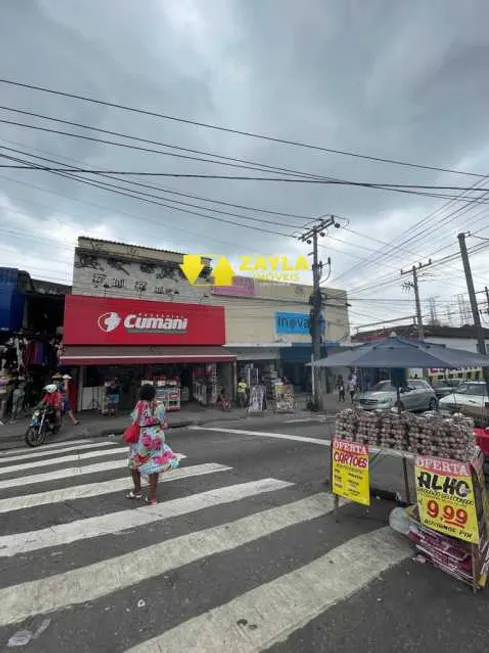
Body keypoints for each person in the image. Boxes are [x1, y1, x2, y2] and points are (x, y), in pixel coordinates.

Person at [126, 383, 180, 505]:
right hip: (157, 436)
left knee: (134, 463)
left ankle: (137, 490)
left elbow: (135, 421)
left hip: (143, 438)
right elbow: (164, 424)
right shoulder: (160, 404)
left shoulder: (140, 405)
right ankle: (152, 497)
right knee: (155, 466)